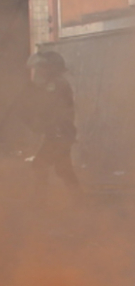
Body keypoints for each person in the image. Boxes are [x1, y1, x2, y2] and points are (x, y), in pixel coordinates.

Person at [23, 51, 80, 191]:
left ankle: (40, 203)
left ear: (50, 68)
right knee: (63, 169)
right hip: (61, 133)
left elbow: (52, 109)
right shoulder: (56, 83)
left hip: (59, 134)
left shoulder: (55, 85)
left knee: (39, 165)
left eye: (41, 68)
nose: (38, 72)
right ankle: (80, 201)